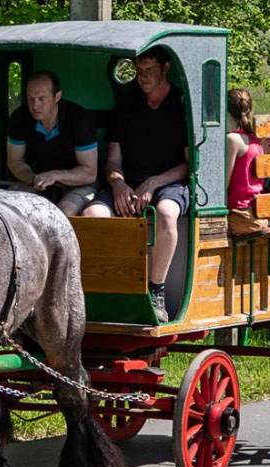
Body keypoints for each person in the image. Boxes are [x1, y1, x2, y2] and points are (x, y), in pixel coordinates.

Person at [83, 48, 188, 323]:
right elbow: (113, 160)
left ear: (165, 68)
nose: (142, 78)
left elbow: (189, 165)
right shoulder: (127, 102)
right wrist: (118, 185)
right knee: (92, 215)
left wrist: (153, 183)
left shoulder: (180, 104)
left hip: (169, 182)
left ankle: (157, 291)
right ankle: (109, 290)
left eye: (149, 71)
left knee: (166, 212)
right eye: (139, 71)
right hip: (128, 183)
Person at [5, 70, 100, 216]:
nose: (35, 105)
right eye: (31, 98)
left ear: (57, 96)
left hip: (78, 183)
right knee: (13, 210)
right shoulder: (19, 117)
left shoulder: (79, 119)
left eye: (42, 99)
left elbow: (89, 173)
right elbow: (15, 161)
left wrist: (54, 175)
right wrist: (34, 178)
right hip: (36, 181)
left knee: (63, 213)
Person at [226, 88, 267, 236]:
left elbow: (224, 183)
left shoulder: (233, 139)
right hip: (259, 211)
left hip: (240, 215)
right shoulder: (257, 138)